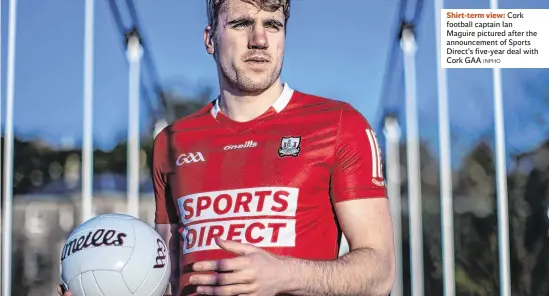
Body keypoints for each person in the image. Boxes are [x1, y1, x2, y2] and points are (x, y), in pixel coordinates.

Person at [59, 0, 395, 295]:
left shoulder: (340, 124)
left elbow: (380, 272)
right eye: (241, 23)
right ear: (210, 39)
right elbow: (167, 281)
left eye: (273, 25)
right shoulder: (171, 143)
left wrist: (286, 275)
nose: (259, 39)